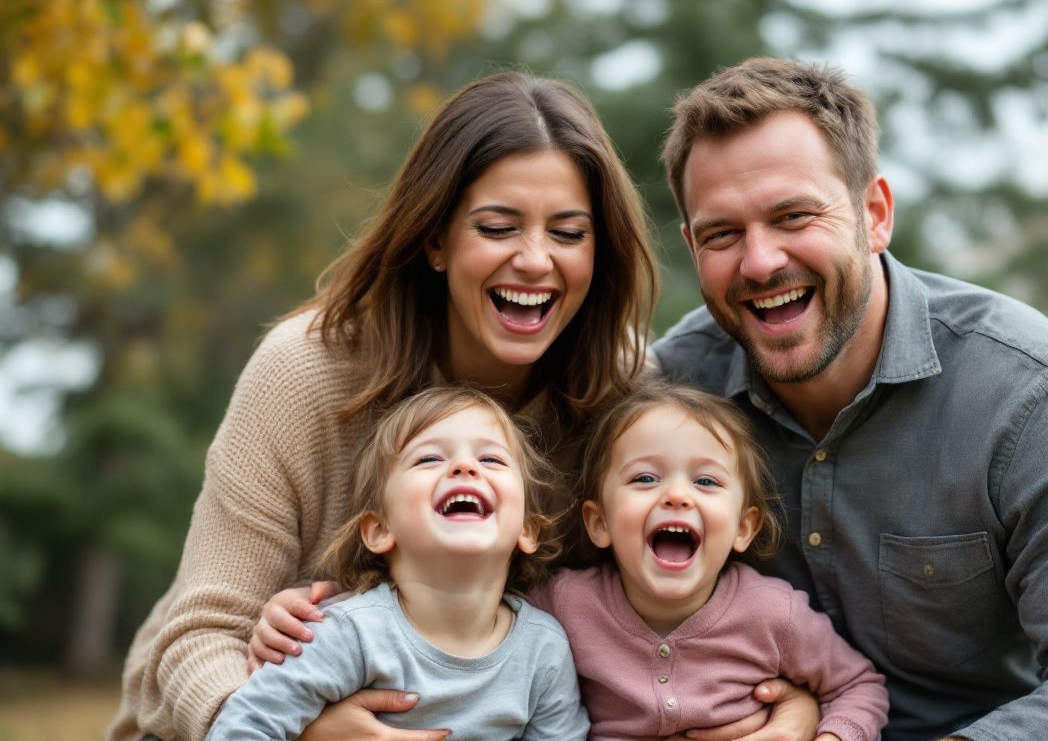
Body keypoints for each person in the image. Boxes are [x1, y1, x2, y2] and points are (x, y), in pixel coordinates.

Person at [648, 56, 1048, 741]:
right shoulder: (673, 395)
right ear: (691, 247)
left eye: (793, 216)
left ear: (874, 214)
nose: (759, 262)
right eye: (722, 234)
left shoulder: (1033, 394)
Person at [107, 71, 658, 741]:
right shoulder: (302, 372)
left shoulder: (625, 393)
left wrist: (814, 707)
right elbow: (199, 634)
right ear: (436, 239)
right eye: (497, 227)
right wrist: (303, 731)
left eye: (569, 233)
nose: (535, 260)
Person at [206, 386, 590, 740]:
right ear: (378, 530)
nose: (464, 467)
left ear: (528, 530)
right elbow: (244, 726)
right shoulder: (350, 635)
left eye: (490, 458)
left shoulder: (543, 651)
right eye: (428, 458)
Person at [528, 383, 888, 740]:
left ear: (743, 527)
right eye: (645, 477)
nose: (677, 495)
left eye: (706, 481)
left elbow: (859, 687)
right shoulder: (564, 604)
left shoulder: (775, 614)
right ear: (599, 522)